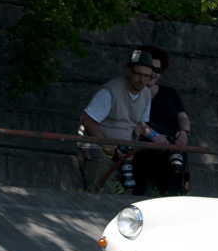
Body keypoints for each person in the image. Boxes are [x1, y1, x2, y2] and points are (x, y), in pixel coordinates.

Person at [77, 49, 155, 193]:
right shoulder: (110, 91)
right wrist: (107, 146)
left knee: (126, 193)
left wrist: (155, 137)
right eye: (138, 74)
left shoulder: (145, 94)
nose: (142, 80)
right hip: (97, 150)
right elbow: (87, 119)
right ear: (129, 71)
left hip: (124, 152)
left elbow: (139, 125)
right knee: (102, 191)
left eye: (146, 76)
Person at [131, 45, 191, 195]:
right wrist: (154, 136)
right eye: (150, 69)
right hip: (141, 150)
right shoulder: (132, 92)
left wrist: (184, 132)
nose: (153, 74)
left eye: (157, 70)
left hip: (169, 150)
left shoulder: (170, 93)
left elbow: (182, 116)